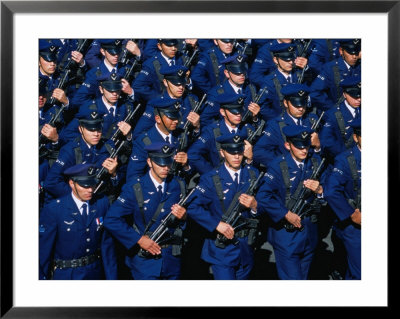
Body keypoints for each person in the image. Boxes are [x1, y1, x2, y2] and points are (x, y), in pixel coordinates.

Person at [104, 142, 188, 279]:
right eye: (160, 164)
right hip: (145, 261)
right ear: (149, 162)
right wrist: (138, 239)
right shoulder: (135, 187)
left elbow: (182, 223)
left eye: (168, 163)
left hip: (171, 259)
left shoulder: (178, 184)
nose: (165, 168)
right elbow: (111, 219)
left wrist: (184, 217)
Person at [186, 132, 261, 280]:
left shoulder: (253, 174)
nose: (236, 156)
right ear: (222, 152)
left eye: (239, 152)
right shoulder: (211, 178)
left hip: (246, 246)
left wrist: (255, 205)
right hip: (222, 248)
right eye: (231, 153)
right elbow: (193, 206)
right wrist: (216, 224)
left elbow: (267, 203)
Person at [256, 125, 326, 280]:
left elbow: (330, 189)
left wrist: (320, 191)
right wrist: (285, 214)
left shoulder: (315, 162)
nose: (304, 150)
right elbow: (263, 196)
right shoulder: (278, 166)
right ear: (288, 145)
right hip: (286, 235)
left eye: (306, 146)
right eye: (299, 147)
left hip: (309, 231)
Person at [39, 163, 117, 280]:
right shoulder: (54, 209)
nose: (90, 190)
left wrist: (112, 278)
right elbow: (43, 250)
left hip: (94, 272)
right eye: (85, 186)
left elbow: (107, 245)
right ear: (72, 183)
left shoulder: (101, 203)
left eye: (92, 185)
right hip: (66, 274)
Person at [43, 108, 119, 203]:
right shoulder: (71, 150)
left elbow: (115, 183)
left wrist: (113, 174)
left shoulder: (108, 145)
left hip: (100, 200)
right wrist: (78, 197)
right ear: (81, 129)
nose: (96, 134)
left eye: (98, 129)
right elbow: (51, 182)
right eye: (91, 129)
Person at [324, 118, 361, 280]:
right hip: (356, 226)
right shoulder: (346, 159)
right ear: (356, 137)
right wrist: (352, 214)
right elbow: (332, 191)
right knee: (360, 274)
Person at [253, 84, 320, 170]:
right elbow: (259, 151)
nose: (300, 109)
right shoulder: (276, 125)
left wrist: (318, 147)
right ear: (286, 103)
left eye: (303, 104)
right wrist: (283, 164)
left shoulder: (312, 121)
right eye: (296, 105)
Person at [187, 93, 254, 175]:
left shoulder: (248, 129)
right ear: (222, 112)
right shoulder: (212, 131)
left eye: (240, 111)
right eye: (234, 112)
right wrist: (212, 174)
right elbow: (193, 153)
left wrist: (249, 160)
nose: (238, 115)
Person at [126, 98, 191, 180]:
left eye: (177, 117)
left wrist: (186, 165)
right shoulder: (144, 142)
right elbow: (134, 176)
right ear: (158, 118)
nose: (176, 121)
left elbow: (189, 172)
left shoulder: (181, 136)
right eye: (171, 117)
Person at [131, 65, 200, 141]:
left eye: (183, 83)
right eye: (176, 84)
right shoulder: (156, 104)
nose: (181, 87)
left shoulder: (192, 101)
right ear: (165, 82)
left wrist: (197, 127)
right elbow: (139, 135)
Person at [255, 42, 313, 123]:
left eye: (292, 59)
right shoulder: (269, 81)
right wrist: (279, 120)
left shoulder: (300, 75)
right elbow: (263, 107)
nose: (290, 62)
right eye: (286, 59)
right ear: (276, 60)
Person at [200, 53, 263, 128]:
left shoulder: (251, 89)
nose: (241, 74)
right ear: (227, 73)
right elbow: (205, 120)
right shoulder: (217, 93)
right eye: (237, 72)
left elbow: (258, 122)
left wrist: (255, 118)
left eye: (243, 71)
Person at [71, 39, 134, 107]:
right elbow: (78, 100)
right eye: (112, 53)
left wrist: (131, 92)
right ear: (102, 51)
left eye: (118, 52)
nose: (116, 55)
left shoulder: (127, 70)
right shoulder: (93, 74)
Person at [309, 39, 361, 112]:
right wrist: (332, 108)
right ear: (341, 51)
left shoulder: (360, 67)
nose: (354, 57)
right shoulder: (330, 68)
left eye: (356, 53)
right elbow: (315, 92)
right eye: (350, 53)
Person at [319, 75, 361, 160]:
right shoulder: (332, 114)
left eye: (361, 95)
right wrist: (346, 155)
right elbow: (326, 140)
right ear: (344, 94)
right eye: (355, 96)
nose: (359, 99)